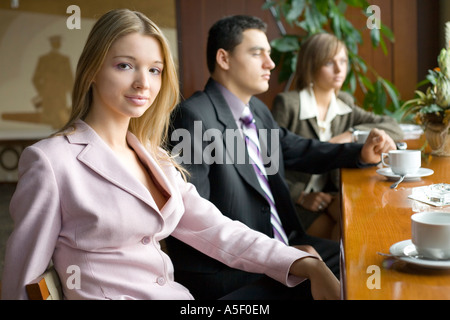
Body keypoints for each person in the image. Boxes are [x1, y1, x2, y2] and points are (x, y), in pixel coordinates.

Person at [1, 9, 339, 300]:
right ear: (91, 70)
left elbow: (217, 229)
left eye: (154, 70)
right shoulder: (51, 161)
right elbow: (22, 280)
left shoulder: (153, 155)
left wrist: (297, 261)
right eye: (124, 65)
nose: (142, 83)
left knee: (314, 280)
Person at [167, 15, 396, 299]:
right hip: (233, 269)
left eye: (269, 54)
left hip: (286, 244)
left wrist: (359, 152)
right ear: (223, 59)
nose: (270, 63)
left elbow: (299, 149)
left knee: (371, 261)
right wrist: (282, 258)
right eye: (256, 53)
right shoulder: (193, 117)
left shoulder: (258, 112)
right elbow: (193, 219)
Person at [271, 33, 403, 240]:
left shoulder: (344, 102)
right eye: (329, 62)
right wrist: (301, 196)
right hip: (293, 199)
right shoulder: (288, 104)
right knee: (343, 235)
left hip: (330, 193)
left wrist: (350, 135)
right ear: (311, 66)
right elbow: (265, 162)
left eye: (343, 61)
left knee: (358, 221)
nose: (340, 69)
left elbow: (393, 126)